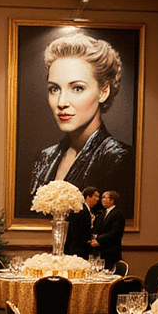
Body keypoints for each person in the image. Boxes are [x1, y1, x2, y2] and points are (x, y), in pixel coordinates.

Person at [29, 34, 134, 207]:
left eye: (77, 88)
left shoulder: (118, 159)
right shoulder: (45, 158)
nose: (62, 103)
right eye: (54, 89)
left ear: (103, 92)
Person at [92, 190, 125, 271]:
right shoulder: (102, 213)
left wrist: (98, 240)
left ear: (112, 200)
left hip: (111, 251)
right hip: (102, 251)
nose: (102, 200)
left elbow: (115, 233)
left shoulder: (117, 214)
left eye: (104, 198)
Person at [65, 185, 99, 259]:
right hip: (77, 250)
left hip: (81, 249)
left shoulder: (85, 209)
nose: (97, 199)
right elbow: (76, 232)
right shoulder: (80, 210)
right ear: (88, 197)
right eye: (95, 196)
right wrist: (88, 242)